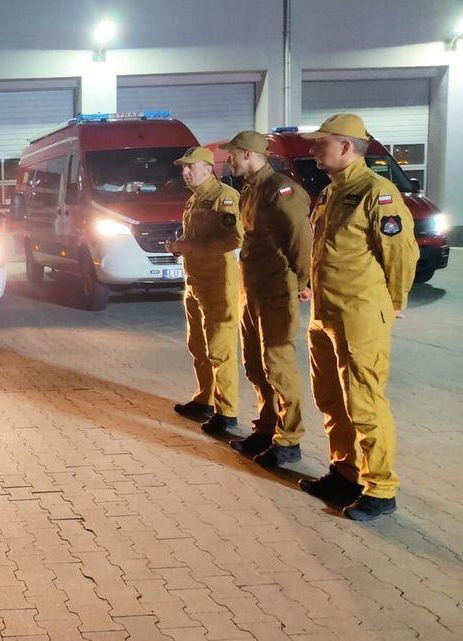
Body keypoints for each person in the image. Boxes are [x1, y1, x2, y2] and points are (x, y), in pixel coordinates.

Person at [298, 114, 418, 521]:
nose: (313, 150)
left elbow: (400, 253)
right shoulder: (332, 193)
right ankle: (345, 472)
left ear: (346, 146)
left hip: (360, 315)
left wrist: (395, 300)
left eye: (321, 143)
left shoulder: (377, 193)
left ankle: (380, 488)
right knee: (331, 398)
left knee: (364, 401)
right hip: (326, 313)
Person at [218, 131, 312, 467]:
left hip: (275, 289)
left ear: (248, 154)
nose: (229, 160)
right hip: (253, 288)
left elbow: (300, 238)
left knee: (279, 364)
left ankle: (289, 439)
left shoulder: (281, 190)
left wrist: (301, 279)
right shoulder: (252, 190)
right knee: (257, 364)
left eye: (233, 154)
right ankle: (266, 427)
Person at [166, 146, 242, 435]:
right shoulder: (196, 199)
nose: (185, 173)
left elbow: (232, 239)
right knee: (198, 346)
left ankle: (227, 411)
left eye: (190, 167)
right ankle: (204, 399)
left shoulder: (224, 198)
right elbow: (194, 238)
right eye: (182, 168)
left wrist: (190, 247)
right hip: (195, 282)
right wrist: (178, 247)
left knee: (220, 350)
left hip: (217, 284)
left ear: (208, 169)